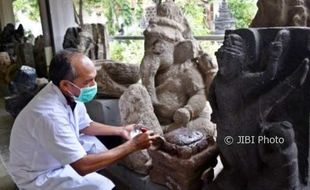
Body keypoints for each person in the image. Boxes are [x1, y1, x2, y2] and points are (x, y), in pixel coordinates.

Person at [8, 49, 158, 190]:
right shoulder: (49, 114)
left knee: (110, 141)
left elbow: (85, 125)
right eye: (88, 81)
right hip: (39, 174)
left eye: (94, 78)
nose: (94, 85)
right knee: (104, 186)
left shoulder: (69, 92)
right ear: (66, 85)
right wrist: (133, 145)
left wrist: (121, 130)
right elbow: (82, 166)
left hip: (51, 154)